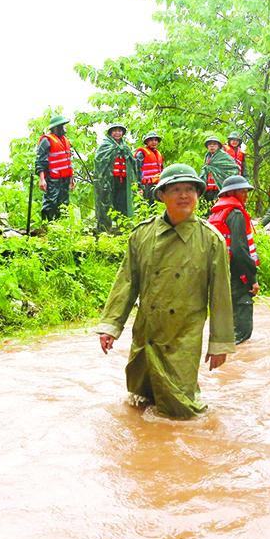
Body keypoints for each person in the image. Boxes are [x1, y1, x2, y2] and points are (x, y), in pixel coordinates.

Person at [94, 163, 235, 419]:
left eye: (190, 189)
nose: (184, 195)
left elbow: (221, 297)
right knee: (140, 403)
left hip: (182, 339)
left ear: (198, 194)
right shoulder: (142, 235)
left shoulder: (210, 239)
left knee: (182, 412)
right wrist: (111, 326)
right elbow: (126, 282)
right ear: (162, 195)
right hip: (146, 335)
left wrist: (219, 344)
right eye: (176, 189)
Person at [208, 176, 260, 344]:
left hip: (221, 273)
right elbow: (239, 250)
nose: (245, 195)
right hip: (237, 275)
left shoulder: (217, 212)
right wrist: (252, 279)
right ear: (231, 192)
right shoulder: (236, 214)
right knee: (243, 334)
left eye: (246, 191)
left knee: (228, 325)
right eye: (242, 191)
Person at [94, 122, 138, 232]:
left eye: (119, 131)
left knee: (122, 202)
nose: (117, 133)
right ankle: (105, 228)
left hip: (123, 180)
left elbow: (133, 164)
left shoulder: (125, 147)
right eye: (115, 131)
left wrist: (136, 180)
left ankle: (122, 227)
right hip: (109, 180)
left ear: (123, 133)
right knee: (107, 202)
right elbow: (99, 161)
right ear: (110, 133)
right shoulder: (105, 146)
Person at [35, 115, 74, 221]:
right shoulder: (46, 140)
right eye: (63, 127)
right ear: (56, 128)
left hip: (65, 178)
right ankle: (47, 225)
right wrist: (42, 179)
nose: (65, 129)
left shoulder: (65, 140)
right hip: (53, 178)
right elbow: (40, 162)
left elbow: (68, 162)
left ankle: (61, 225)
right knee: (51, 202)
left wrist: (71, 180)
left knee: (64, 203)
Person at [199, 134, 239, 203]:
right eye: (209, 144)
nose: (212, 146)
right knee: (206, 212)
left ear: (218, 146)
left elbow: (234, 168)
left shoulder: (223, 156)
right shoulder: (207, 157)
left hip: (219, 189)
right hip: (208, 190)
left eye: (214, 144)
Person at [134, 131, 165, 202]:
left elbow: (162, 169)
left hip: (157, 184)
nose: (154, 142)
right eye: (151, 140)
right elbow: (137, 170)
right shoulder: (141, 153)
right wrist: (139, 186)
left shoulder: (158, 154)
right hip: (146, 185)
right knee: (147, 204)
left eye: (156, 140)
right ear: (147, 142)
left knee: (157, 203)